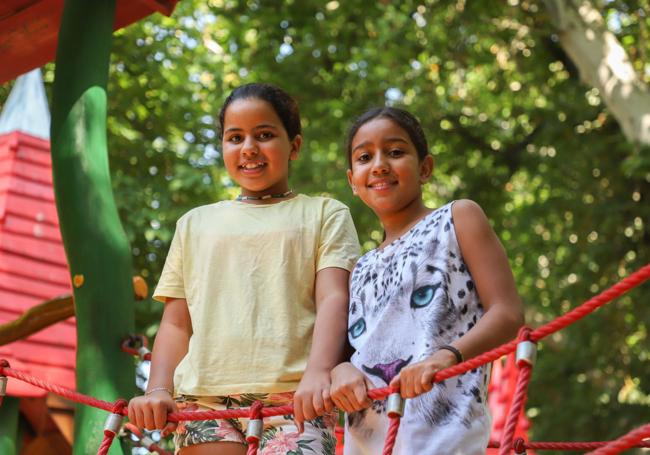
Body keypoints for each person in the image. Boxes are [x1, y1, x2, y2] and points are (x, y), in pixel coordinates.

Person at [128, 83, 360, 455]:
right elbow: (176, 322)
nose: (249, 148)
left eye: (264, 135)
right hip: (203, 399)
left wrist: (320, 371)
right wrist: (158, 389)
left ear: (294, 146)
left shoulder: (324, 214)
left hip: (296, 395)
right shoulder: (194, 224)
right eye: (235, 137)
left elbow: (335, 297)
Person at [329, 107, 524, 454]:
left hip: (445, 435)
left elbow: (507, 313)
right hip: (368, 442)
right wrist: (340, 370)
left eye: (395, 152)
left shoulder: (457, 218)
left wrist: (446, 356)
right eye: (364, 157)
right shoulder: (359, 268)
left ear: (425, 168)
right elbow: (349, 353)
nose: (379, 165)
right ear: (352, 181)